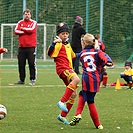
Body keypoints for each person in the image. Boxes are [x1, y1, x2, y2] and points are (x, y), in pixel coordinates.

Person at [69, 33, 113, 129]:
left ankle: (78, 114)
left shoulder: (83, 53)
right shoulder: (98, 52)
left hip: (86, 78)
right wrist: (108, 62)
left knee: (87, 98)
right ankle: (98, 125)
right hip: (96, 79)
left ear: (84, 43)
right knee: (88, 99)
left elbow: (76, 56)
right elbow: (106, 60)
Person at [47, 22, 80, 124]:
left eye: (66, 33)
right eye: (63, 34)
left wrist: (86, 52)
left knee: (74, 94)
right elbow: (50, 53)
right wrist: (53, 43)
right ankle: (61, 101)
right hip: (62, 68)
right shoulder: (58, 43)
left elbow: (74, 56)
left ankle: (62, 116)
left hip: (68, 69)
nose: (65, 35)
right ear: (59, 34)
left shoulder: (67, 44)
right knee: (76, 79)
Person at [14, 9, 37, 85]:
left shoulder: (33, 22)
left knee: (31, 63)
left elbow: (31, 30)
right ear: (23, 15)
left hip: (31, 47)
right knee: (21, 64)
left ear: (30, 15)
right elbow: (16, 31)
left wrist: (23, 29)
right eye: (25, 14)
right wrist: (25, 32)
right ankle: (22, 79)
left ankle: (32, 79)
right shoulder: (20, 22)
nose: (27, 15)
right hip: (21, 47)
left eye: (28, 14)